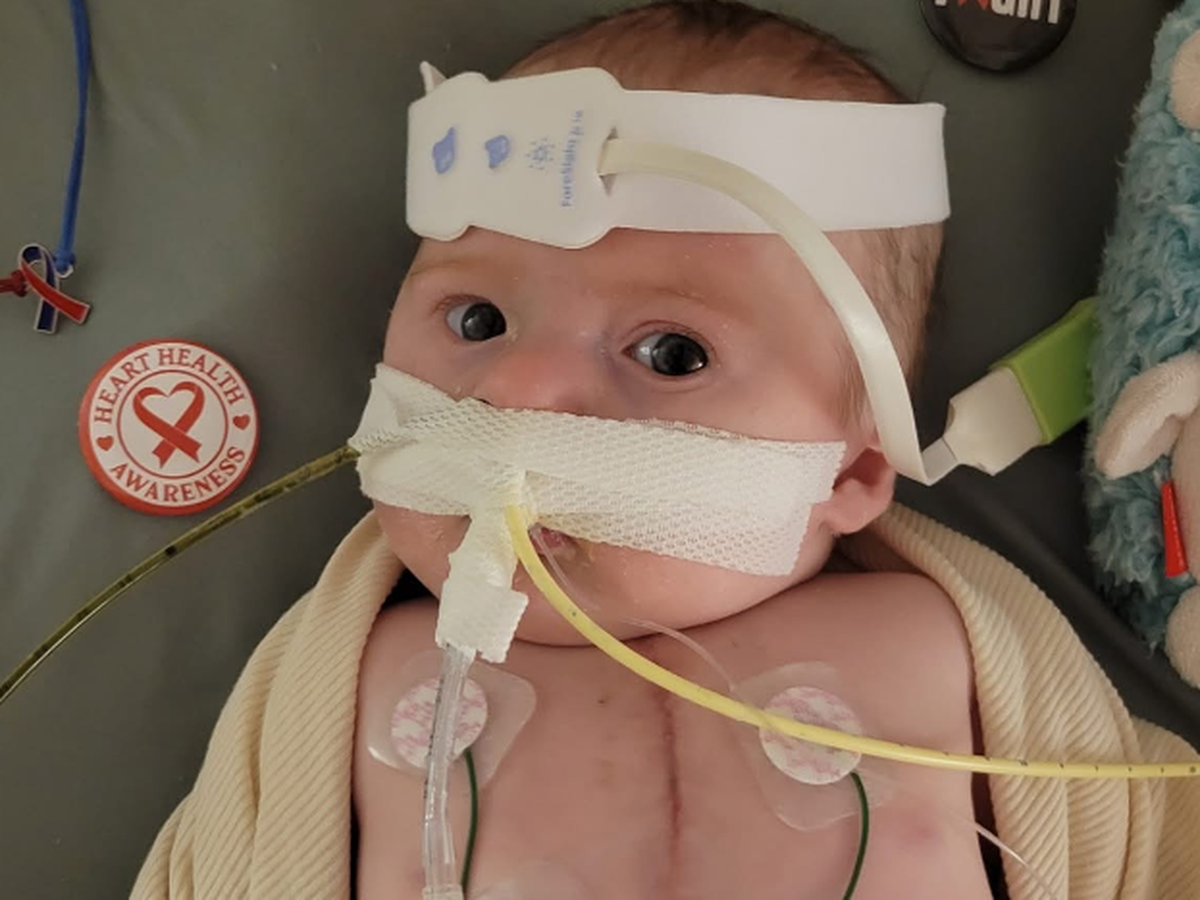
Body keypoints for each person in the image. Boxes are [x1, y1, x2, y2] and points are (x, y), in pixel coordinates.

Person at [353, 3, 987, 897]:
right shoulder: (360, 676)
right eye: (478, 321)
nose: (514, 390)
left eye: (672, 355)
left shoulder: (925, 646)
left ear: (851, 472)